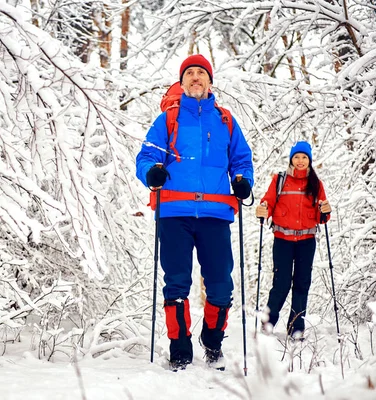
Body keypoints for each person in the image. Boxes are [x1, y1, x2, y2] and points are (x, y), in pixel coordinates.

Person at [135, 54, 254, 371]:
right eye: (189, 73)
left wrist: (243, 181)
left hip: (216, 213)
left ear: (210, 81)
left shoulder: (225, 120)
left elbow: (241, 159)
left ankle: (212, 342)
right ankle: (180, 348)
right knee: (176, 282)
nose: (195, 77)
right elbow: (146, 156)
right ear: (182, 81)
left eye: (201, 72)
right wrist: (151, 173)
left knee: (220, 285)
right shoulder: (169, 119)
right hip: (174, 211)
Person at [256, 141, 331, 340]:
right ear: (291, 159)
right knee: (281, 283)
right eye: (297, 157)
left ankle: (296, 328)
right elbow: (268, 202)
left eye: (304, 157)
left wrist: (325, 212)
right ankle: (268, 323)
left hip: (307, 241)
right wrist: (263, 210)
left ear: (309, 160)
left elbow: (322, 212)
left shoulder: (316, 184)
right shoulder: (280, 180)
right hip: (283, 240)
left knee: (302, 283)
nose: (300, 161)